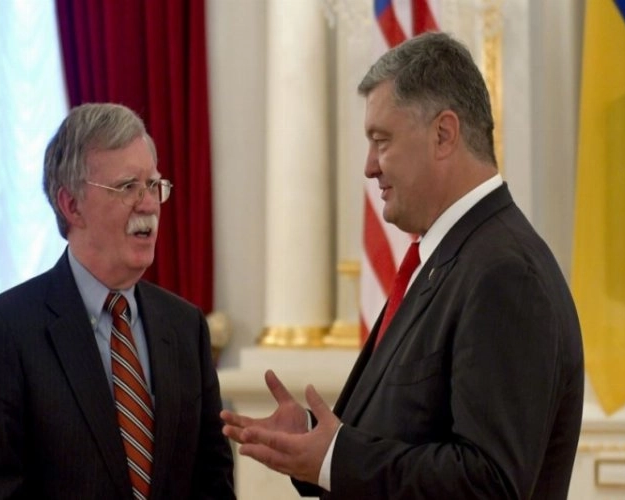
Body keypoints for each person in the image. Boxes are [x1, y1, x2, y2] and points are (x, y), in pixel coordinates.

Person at [221, 32, 584, 499]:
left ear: (443, 134)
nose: (369, 166)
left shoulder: (504, 274)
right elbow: (413, 426)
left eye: (382, 141)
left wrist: (335, 459)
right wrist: (314, 440)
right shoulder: (450, 259)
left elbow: (488, 483)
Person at [0, 103, 235, 499]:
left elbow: (213, 483)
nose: (149, 204)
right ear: (71, 205)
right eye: (128, 187)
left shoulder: (185, 326)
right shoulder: (3, 330)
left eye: (154, 185)